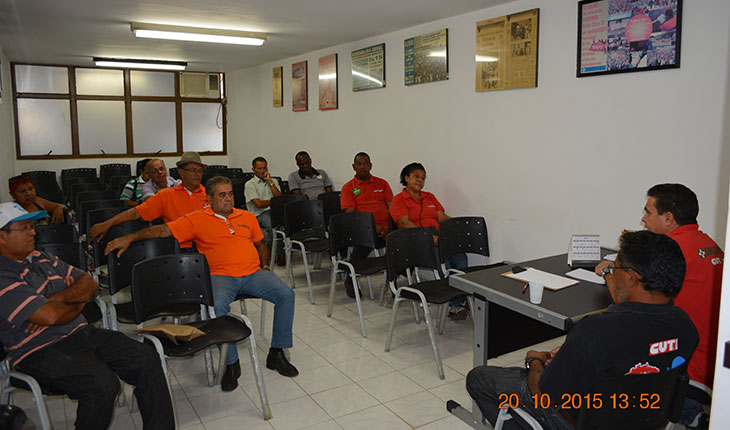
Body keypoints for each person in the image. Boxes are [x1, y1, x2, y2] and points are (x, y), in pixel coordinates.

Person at [467, 231, 699, 430]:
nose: (611, 273)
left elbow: (544, 395)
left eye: (613, 268)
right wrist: (571, 355)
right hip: (645, 417)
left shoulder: (596, 331)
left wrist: (535, 362)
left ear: (630, 278)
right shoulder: (686, 327)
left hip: (579, 420)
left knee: (479, 378)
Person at [105, 176, 298, 392]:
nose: (228, 199)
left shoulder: (246, 216)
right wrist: (130, 238)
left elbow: (260, 243)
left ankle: (277, 352)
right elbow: (162, 231)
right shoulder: (197, 219)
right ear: (209, 199)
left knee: (286, 294)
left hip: (253, 273)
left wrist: (264, 263)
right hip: (220, 276)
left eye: (231, 194)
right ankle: (231, 363)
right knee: (218, 307)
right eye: (222, 195)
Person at [0, 202, 174, 430]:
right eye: (24, 228)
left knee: (147, 359)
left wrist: (57, 301)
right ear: (1, 237)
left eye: (32, 226)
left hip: (81, 332)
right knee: (101, 384)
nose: (33, 231)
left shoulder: (42, 258)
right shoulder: (3, 275)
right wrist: (72, 301)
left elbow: (89, 284)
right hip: (38, 350)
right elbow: (51, 317)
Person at [618, 183, 721, 428]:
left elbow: (632, 297)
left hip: (692, 368)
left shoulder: (674, 252)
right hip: (715, 358)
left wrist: (610, 272)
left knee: (616, 345)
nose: (643, 219)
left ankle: (689, 413)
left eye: (648, 212)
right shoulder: (709, 244)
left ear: (668, 217)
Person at [389, 162, 468, 317]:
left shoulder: (430, 197)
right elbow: (405, 223)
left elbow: (442, 217)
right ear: (406, 178)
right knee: (443, 262)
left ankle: (457, 300)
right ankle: (456, 304)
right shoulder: (398, 200)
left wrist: (459, 225)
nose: (420, 180)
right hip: (414, 242)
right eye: (416, 176)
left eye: (423, 177)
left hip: (437, 238)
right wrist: (428, 238)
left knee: (460, 258)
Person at [89, 152, 209, 249]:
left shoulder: (211, 197)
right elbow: (136, 212)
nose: (198, 174)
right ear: (181, 172)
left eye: (200, 171)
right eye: (193, 170)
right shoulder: (166, 195)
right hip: (180, 250)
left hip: (209, 247)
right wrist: (107, 224)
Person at [340, 152, 393, 297]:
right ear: (353, 167)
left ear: (371, 166)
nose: (362, 166)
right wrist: (374, 228)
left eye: (365, 163)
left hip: (386, 229)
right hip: (362, 229)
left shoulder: (382, 183)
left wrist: (389, 227)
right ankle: (350, 278)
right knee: (364, 242)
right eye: (359, 164)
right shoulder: (348, 187)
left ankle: (393, 280)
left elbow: (392, 208)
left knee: (400, 242)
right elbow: (352, 216)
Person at [244, 156, 284, 265]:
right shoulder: (250, 184)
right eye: (259, 168)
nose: (263, 171)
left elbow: (279, 198)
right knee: (273, 224)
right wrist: (274, 201)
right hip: (258, 214)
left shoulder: (273, 181)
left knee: (285, 222)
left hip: (274, 212)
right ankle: (281, 254)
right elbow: (258, 204)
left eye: (264, 168)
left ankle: (278, 252)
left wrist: (270, 181)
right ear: (253, 170)